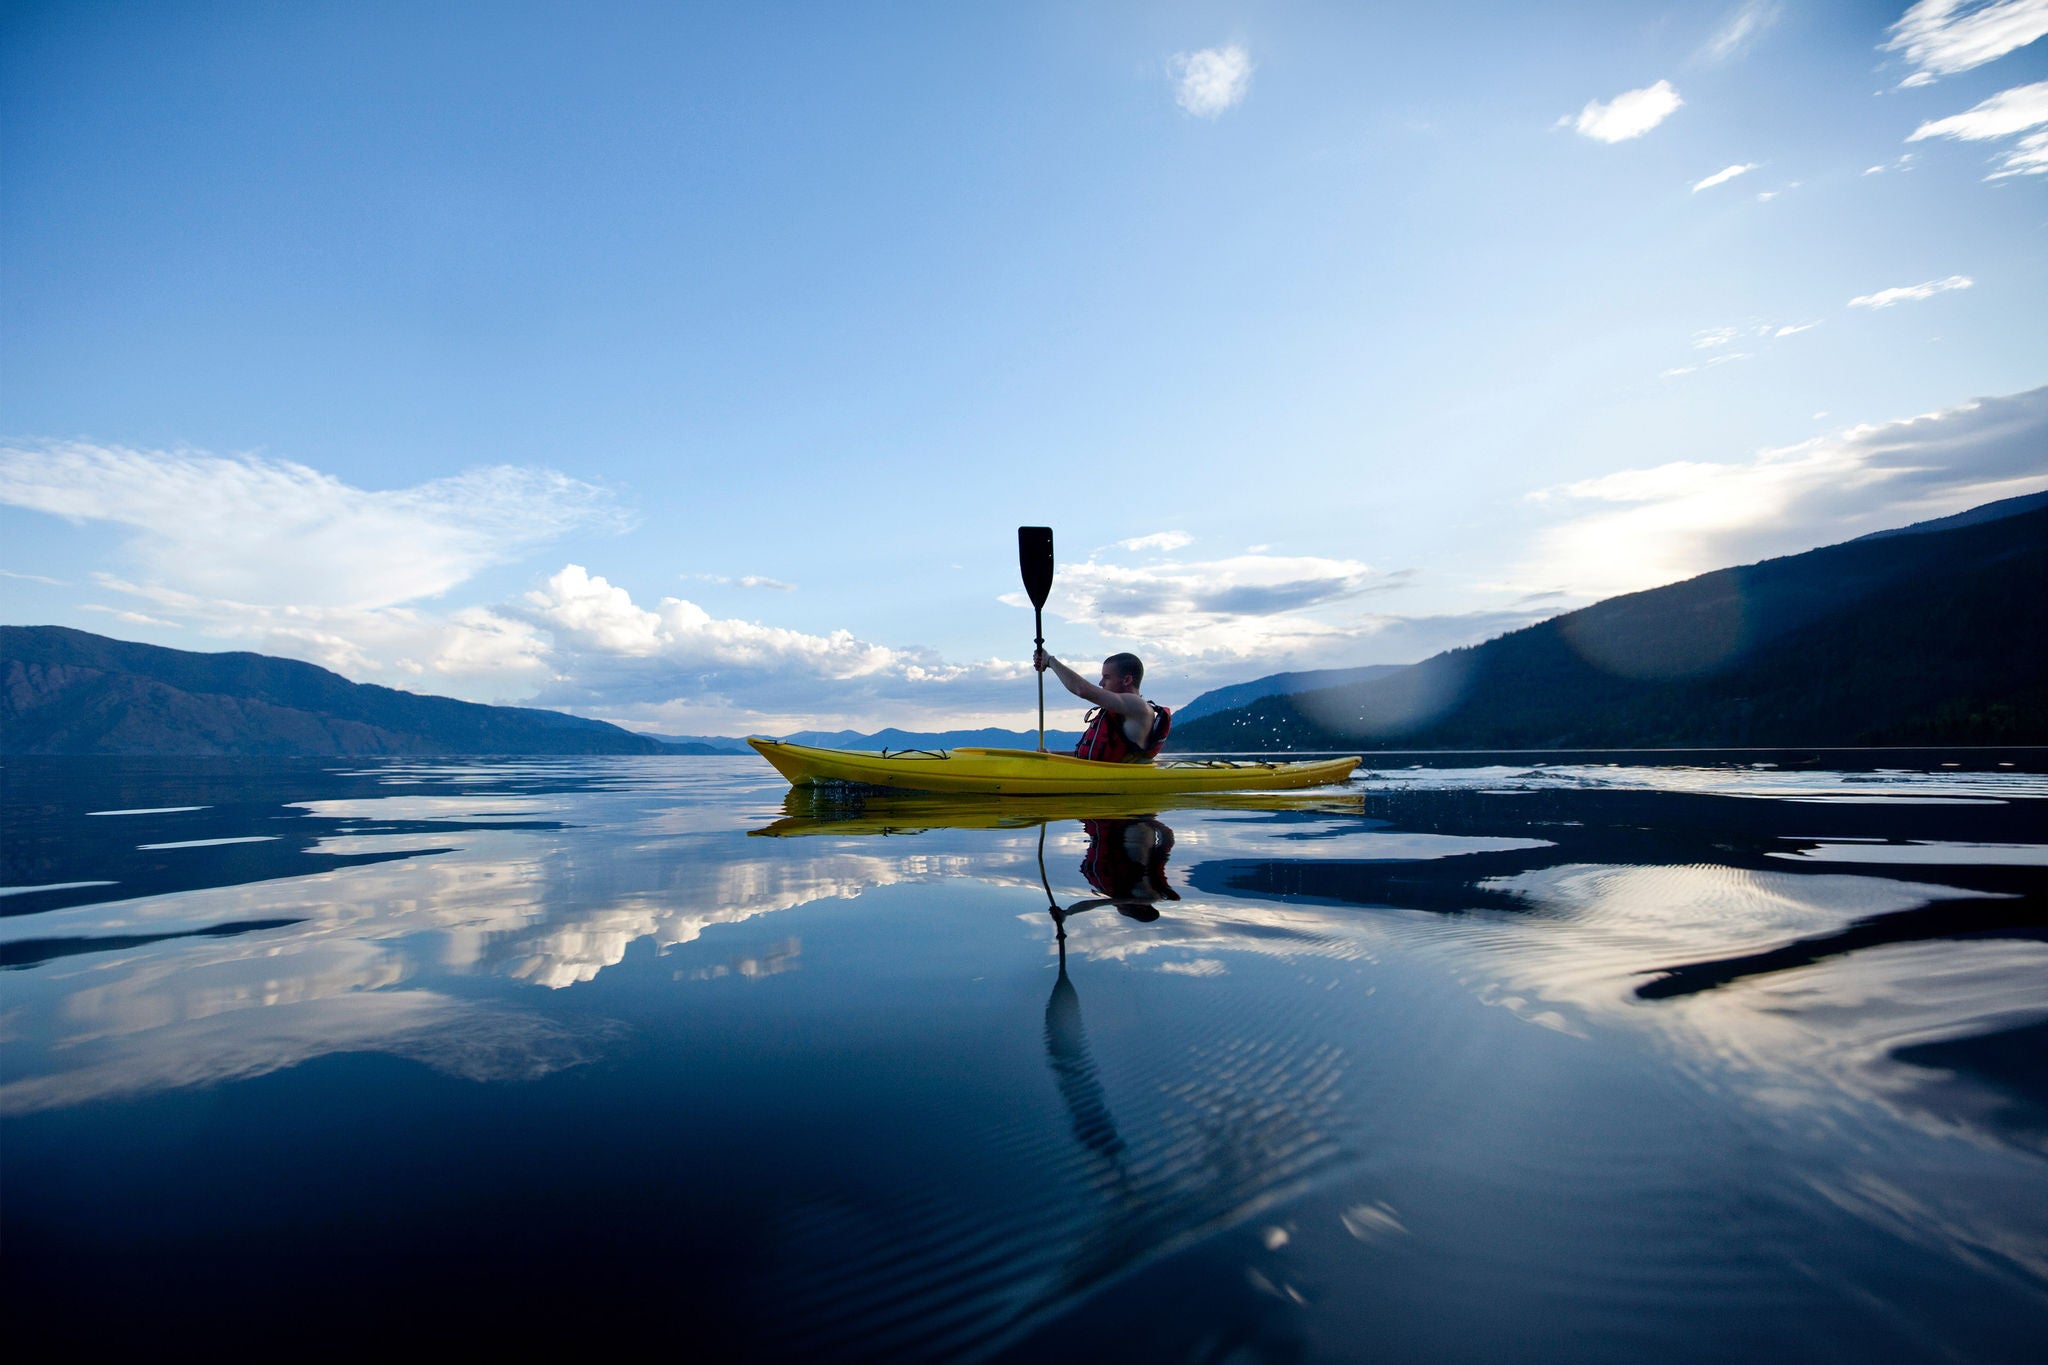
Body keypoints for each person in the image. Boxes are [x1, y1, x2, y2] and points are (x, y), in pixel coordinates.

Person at [1032, 649, 1172, 762]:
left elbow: (1081, 689)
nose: (1101, 683)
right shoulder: (1120, 709)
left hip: (1120, 778)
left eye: (1107, 677)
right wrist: (1052, 754)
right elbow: (1089, 756)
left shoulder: (1136, 705)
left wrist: (1050, 660)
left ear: (1127, 680)